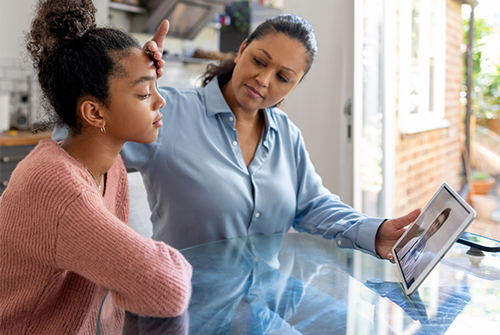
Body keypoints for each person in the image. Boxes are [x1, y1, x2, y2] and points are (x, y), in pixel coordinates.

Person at [54, 14, 420, 260]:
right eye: (260, 61)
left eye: (283, 76)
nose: (264, 80)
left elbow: (312, 205)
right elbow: (71, 144)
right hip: (182, 310)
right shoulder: (168, 113)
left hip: (266, 314)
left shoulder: (286, 135)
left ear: (293, 87)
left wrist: (374, 232)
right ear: (242, 50)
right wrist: (128, 82)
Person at [0, 1, 192, 334]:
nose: (161, 101)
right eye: (145, 93)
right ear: (94, 113)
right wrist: (165, 260)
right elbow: (168, 288)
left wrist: (140, 75)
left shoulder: (109, 165)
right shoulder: (55, 186)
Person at [397, 208, 452, 284]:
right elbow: (398, 256)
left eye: (438, 226)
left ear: (438, 229)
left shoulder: (425, 254)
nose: (433, 228)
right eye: (435, 222)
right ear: (432, 222)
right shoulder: (413, 240)